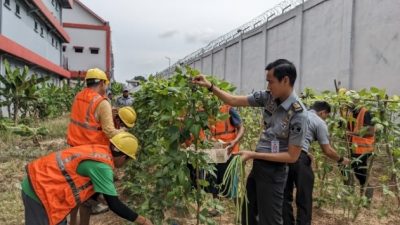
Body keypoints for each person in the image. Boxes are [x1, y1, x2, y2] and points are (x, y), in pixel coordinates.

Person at [193, 59, 308, 225]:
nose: (268, 86)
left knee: (270, 220)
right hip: (259, 167)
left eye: (271, 82)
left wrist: (253, 154)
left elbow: (292, 156)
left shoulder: (298, 114)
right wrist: (210, 86)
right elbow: (232, 100)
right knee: (248, 213)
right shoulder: (268, 97)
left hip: (274, 172)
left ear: (285, 80)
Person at [21, 132, 154, 225]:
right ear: (123, 157)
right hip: (39, 192)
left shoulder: (100, 150)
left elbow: (83, 184)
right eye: (127, 161)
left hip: (42, 183)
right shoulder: (103, 167)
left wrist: (100, 198)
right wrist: (143, 221)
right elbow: (115, 205)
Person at [283, 101, 350, 225]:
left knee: (285, 195)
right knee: (304, 197)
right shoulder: (319, 122)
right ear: (322, 112)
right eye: (326, 116)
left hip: (283, 156)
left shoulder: (295, 115)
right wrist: (341, 159)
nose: (326, 118)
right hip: (299, 159)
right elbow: (327, 150)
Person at [207, 104, 245, 216]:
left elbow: (241, 127)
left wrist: (235, 141)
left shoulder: (228, 109)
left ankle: (240, 211)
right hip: (216, 149)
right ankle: (216, 208)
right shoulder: (207, 110)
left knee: (233, 181)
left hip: (230, 150)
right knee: (215, 179)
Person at [67, 68, 121, 147]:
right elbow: (110, 132)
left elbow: (85, 118)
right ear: (102, 83)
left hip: (74, 145)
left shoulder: (78, 96)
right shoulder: (102, 103)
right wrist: (123, 131)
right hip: (93, 149)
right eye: (106, 84)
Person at [342, 90, 375, 199]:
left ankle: (366, 192)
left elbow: (371, 132)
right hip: (353, 147)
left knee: (359, 171)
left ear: (355, 101)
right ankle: (350, 192)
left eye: (349, 102)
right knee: (344, 166)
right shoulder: (351, 113)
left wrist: (351, 133)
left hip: (364, 148)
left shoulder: (365, 112)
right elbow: (348, 128)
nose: (347, 104)